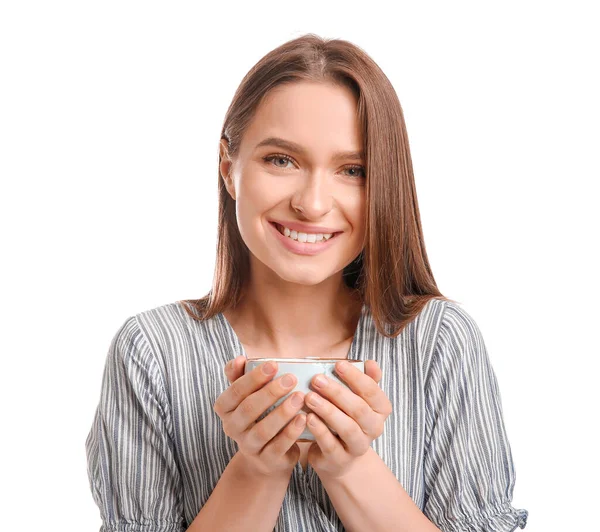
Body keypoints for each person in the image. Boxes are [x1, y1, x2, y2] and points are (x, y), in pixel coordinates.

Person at [85, 33, 529, 532]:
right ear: (229, 168)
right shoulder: (152, 352)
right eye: (282, 160)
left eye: (353, 170)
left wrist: (350, 466)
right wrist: (256, 470)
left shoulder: (439, 341)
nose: (313, 204)